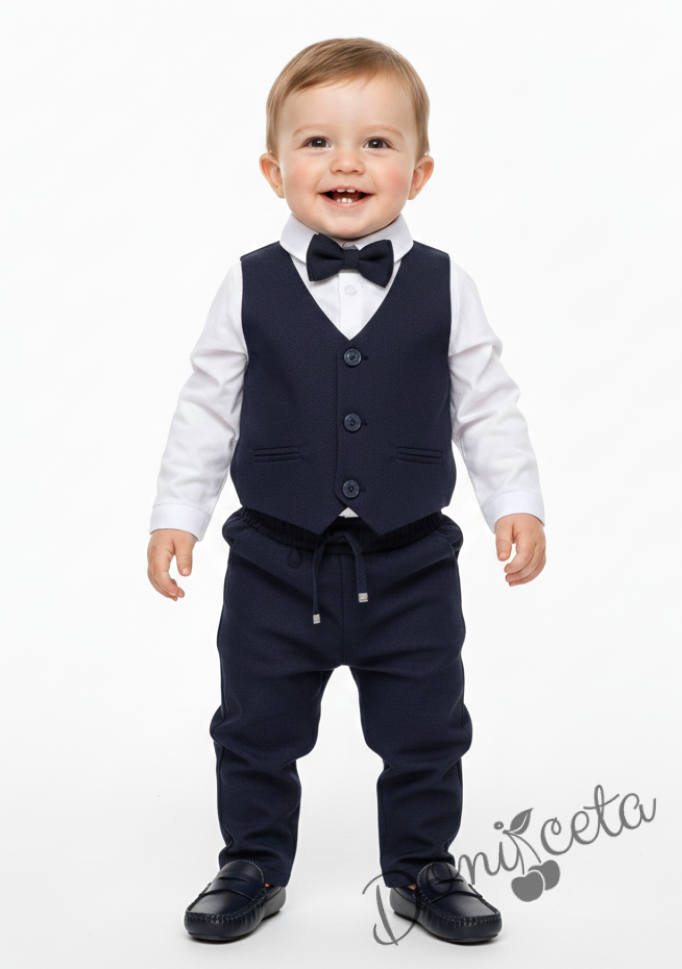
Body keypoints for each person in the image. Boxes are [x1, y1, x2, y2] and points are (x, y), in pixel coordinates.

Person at [147, 36, 546, 944]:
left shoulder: (447, 283)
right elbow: (206, 407)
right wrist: (178, 516)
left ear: (420, 171)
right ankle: (252, 862)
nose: (347, 163)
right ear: (274, 168)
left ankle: (422, 865)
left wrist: (515, 501)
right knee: (254, 722)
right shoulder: (246, 283)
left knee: (426, 724)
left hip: (411, 564)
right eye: (318, 142)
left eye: (376, 142)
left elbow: (488, 403)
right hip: (274, 560)